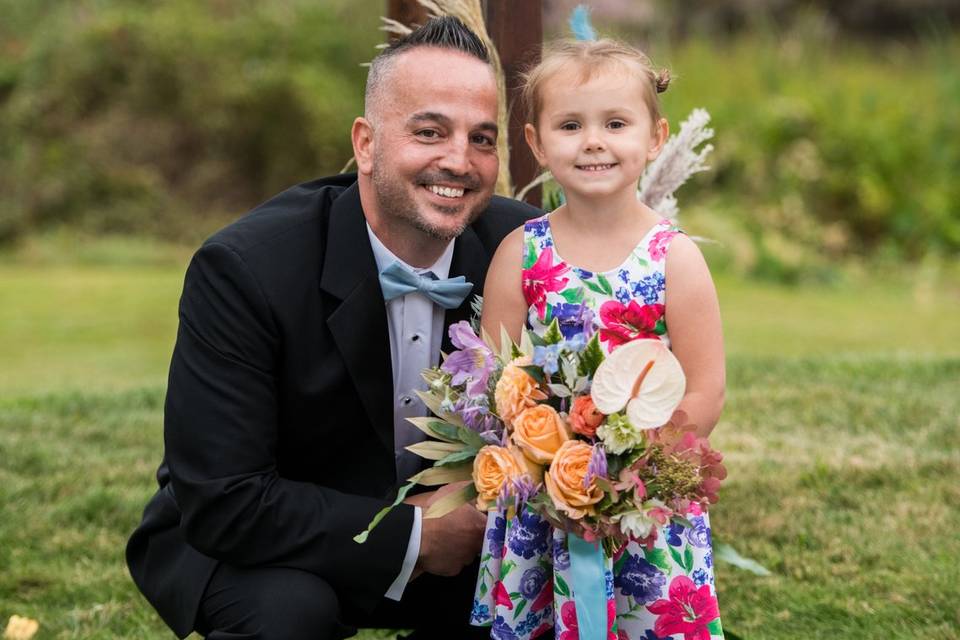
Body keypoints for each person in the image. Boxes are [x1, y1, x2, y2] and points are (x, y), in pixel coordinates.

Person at [126, 17, 537, 640]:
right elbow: (225, 499)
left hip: (470, 541)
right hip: (273, 545)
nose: (459, 161)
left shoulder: (528, 251)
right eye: (429, 131)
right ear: (366, 143)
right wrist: (416, 536)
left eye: (482, 139)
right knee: (289, 618)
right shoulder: (245, 268)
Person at [481, 39, 726, 636]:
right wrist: (546, 465)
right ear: (537, 142)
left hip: (643, 502)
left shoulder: (675, 259)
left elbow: (706, 386)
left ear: (654, 136)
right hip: (545, 504)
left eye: (615, 123)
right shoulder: (520, 254)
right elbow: (497, 380)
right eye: (570, 125)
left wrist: (632, 474)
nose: (593, 140)